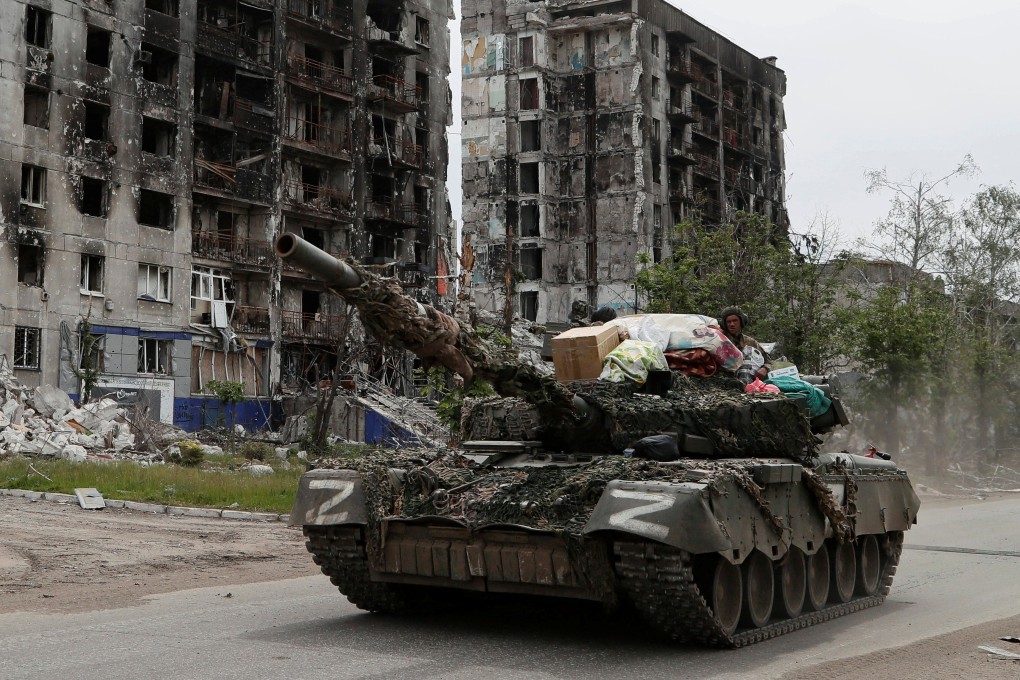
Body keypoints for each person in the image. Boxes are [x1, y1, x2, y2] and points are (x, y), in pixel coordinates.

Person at [719, 306, 771, 380]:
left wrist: (765, 369)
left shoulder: (750, 342)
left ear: (741, 321)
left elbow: (768, 361)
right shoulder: (719, 339)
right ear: (724, 324)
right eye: (728, 322)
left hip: (746, 377)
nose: (732, 324)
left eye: (735, 320)